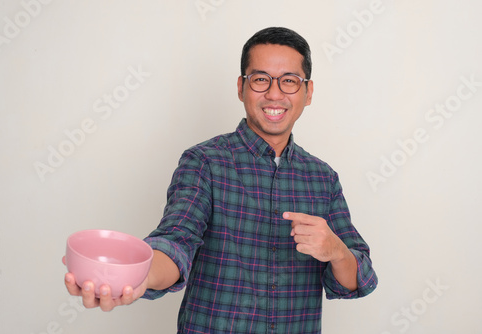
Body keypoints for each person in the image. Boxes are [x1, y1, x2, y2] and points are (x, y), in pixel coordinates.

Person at [64, 26, 378, 333]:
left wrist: (336, 250)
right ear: (241, 86)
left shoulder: (323, 178)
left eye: (290, 82)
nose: (274, 93)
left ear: (308, 92)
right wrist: (137, 277)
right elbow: (176, 241)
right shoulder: (205, 162)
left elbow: (359, 279)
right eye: (260, 80)